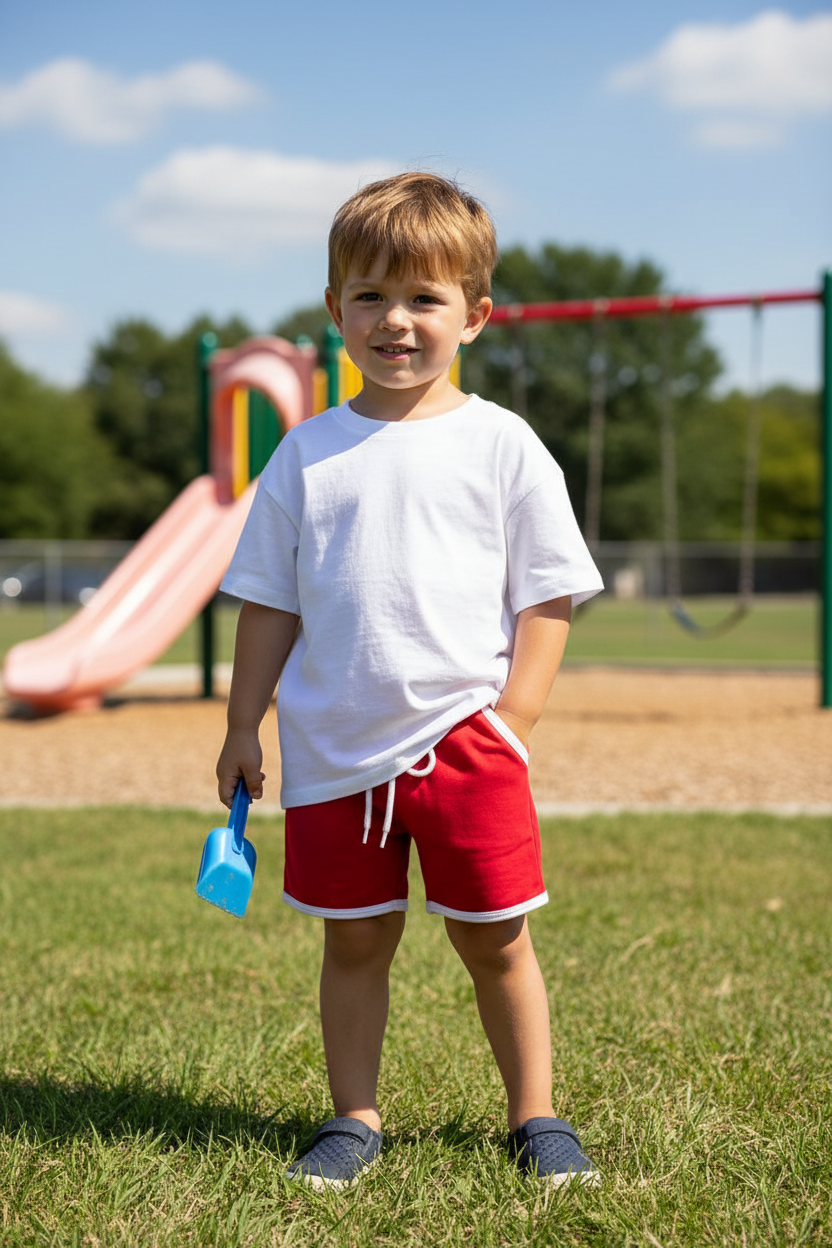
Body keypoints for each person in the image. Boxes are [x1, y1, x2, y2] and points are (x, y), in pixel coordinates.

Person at [216, 172, 604, 1190]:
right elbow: (269, 604)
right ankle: (354, 1119)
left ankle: (536, 1117)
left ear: (474, 316)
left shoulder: (503, 444)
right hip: (335, 754)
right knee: (354, 944)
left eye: (424, 298)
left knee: (498, 943)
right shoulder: (305, 454)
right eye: (370, 296)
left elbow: (549, 594)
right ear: (335, 309)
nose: (395, 320)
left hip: (469, 748)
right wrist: (243, 725)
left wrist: (512, 721)